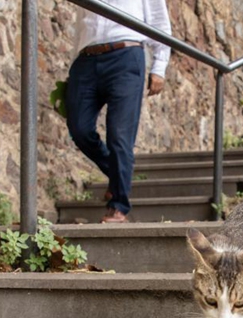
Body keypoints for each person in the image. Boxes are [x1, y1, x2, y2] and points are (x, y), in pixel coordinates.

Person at [66, 0, 171, 223]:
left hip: (126, 56)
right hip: (86, 60)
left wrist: (159, 68)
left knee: (120, 135)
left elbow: (159, 22)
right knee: (79, 128)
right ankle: (118, 177)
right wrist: (73, 67)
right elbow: (81, 26)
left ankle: (118, 206)